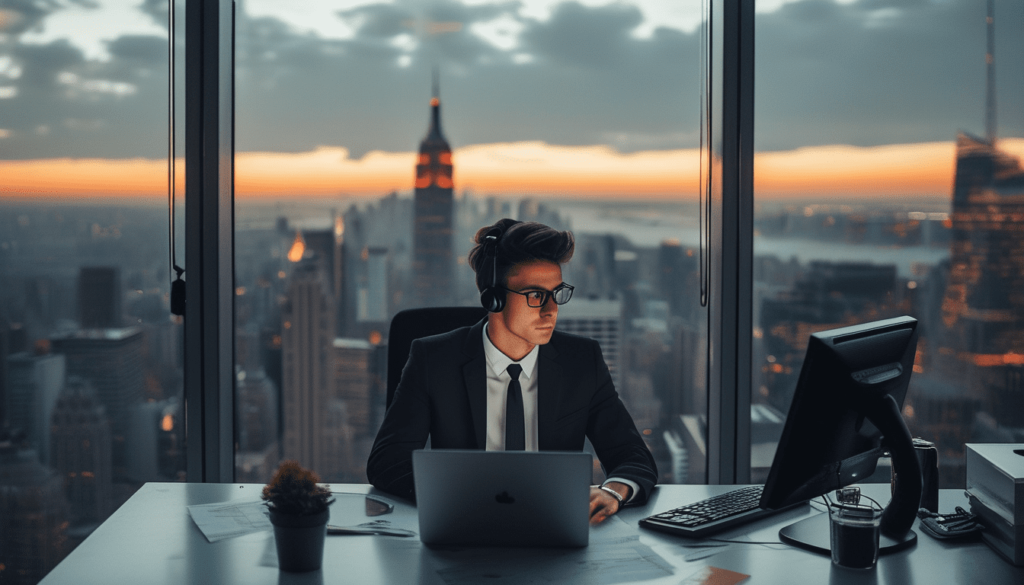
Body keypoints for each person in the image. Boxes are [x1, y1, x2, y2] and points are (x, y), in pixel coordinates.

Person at [367, 219, 657, 524]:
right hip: (463, 527)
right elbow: (387, 463)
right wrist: (464, 496)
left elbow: (633, 457)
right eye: (535, 295)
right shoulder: (433, 360)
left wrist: (612, 491)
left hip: (554, 529)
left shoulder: (582, 362)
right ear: (494, 297)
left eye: (557, 293)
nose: (551, 310)